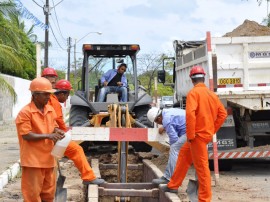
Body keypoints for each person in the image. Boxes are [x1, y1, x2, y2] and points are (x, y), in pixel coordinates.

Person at [164, 66, 227, 202]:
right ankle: (173, 185)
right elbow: (223, 114)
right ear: (203, 78)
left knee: (202, 167)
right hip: (202, 135)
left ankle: (204, 199)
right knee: (184, 155)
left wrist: (191, 135)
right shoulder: (212, 95)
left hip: (196, 136)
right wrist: (212, 130)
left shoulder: (193, 94)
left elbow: (190, 115)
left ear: (191, 79)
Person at [42, 67, 105, 185]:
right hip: (50, 134)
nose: (53, 81)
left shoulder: (48, 97)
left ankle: (49, 185)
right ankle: (88, 177)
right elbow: (58, 121)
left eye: (54, 79)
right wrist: (64, 133)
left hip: (50, 134)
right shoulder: (51, 99)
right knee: (75, 150)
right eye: (51, 78)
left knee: (55, 158)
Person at [15, 77, 65, 201]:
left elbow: (53, 126)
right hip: (33, 162)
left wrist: (57, 131)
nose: (49, 97)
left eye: (49, 94)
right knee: (32, 196)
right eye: (45, 94)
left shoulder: (50, 109)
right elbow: (26, 135)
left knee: (48, 195)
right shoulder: (25, 112)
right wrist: (48, 135)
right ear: (35, 95)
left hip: (49, 160)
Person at [147, 107, 187, 184]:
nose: (158, 124)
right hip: (194, 128)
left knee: (174, 148)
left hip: (191, 131)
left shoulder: (166, 120)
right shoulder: (167, 112)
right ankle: (174, 179)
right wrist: (164, 127)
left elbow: (174, 139)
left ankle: (168, 178)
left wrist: (171, 149)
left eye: (157, 122)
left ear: (158, 118)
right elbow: (173, 121)